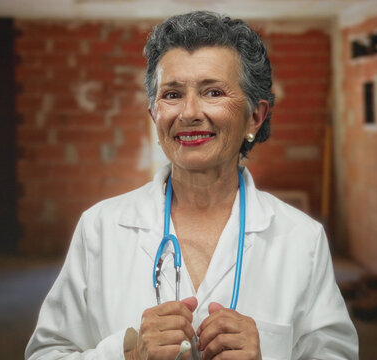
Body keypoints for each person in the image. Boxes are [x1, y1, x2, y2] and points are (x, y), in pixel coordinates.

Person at [25, 11, 358, 360]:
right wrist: (126, 355)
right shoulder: (100, 228)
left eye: (212, 91)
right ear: (155, 114)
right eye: (172, 94)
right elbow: (46, 353)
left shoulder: (302, 239)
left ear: (255, 117)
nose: (188, 112)